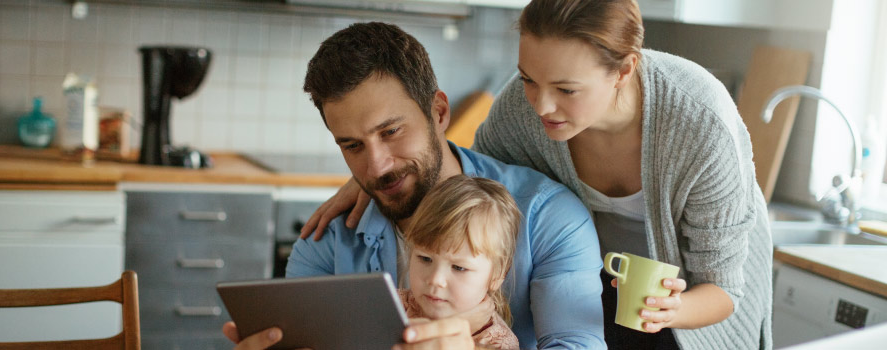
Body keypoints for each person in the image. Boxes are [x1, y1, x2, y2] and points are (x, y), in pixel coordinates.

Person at [301, 1, 774, 349]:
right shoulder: (522, 110)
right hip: (602, 283)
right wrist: (376, 175)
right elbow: (470, 187)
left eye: (566, 89)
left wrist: (675, 310)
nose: (542, 106)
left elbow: (723, 285)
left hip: (695, 294)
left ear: (625, 70)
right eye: (528, 78)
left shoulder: (699, 122)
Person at [224, 21, 606, 350]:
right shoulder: (327, 239)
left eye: (391, 131)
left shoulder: (548, 217)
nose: (377, 166)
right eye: (352, 146)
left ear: (438, 112)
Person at [400, 174, 521, 349]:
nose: (435, 279)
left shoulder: (497, 343)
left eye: (458, 267)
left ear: (497, 275)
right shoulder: (392, 306)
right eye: (425, 258)